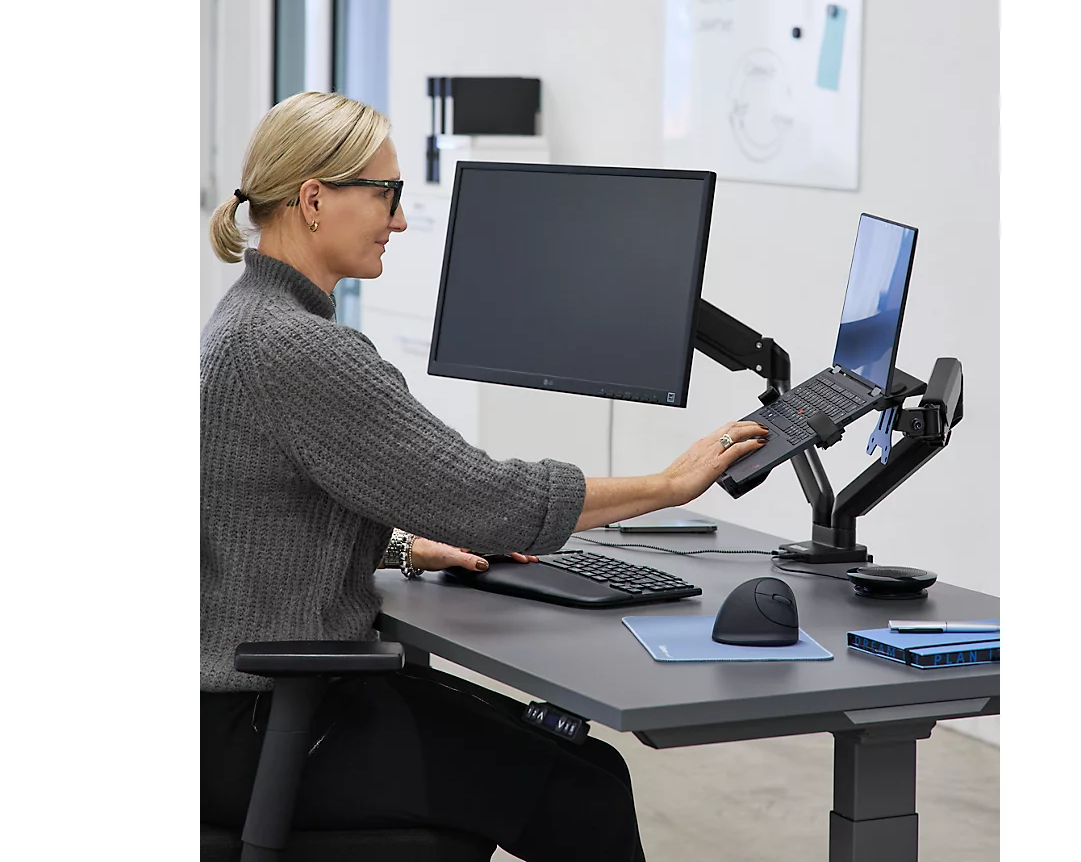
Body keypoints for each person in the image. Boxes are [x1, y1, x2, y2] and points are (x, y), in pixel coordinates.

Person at [201, 91, 768, 861]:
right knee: (585, 791)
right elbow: (490, 501)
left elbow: (248, 520)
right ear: (312, 200)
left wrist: (403, 550)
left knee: (585, 764)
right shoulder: (298, 349)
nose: (399, 221)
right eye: (387, 195)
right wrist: (669, 485)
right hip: (265, 724)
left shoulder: (241, 322)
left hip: (234, 714)